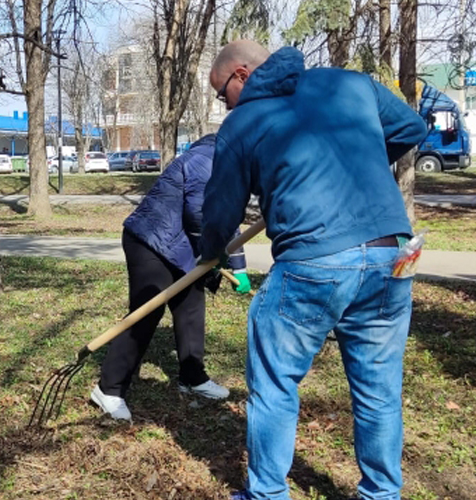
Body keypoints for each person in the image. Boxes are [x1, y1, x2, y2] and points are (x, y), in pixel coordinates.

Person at [199, 41, 427, 500]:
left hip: (315, 259)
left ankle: (266, 493)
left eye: (223, 94)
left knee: (274, 381)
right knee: (379, 389)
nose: (225, 104)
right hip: (392, 254)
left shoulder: (244, 121)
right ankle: (382, 494)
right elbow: (410, 126)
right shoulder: (348, 82)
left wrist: (210, 256)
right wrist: (355, 162)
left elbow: (221, 210)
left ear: (240, 75)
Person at [90, 133, 250, 422]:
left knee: (191, 308)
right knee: (146, 311)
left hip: (182, 246)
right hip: (150, 241)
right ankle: (108, 388)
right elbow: (201, 213)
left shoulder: (230, 163)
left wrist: (238, 267)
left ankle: (192, 377)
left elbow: (228, 218)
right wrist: (213, 253)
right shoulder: (208, 159)